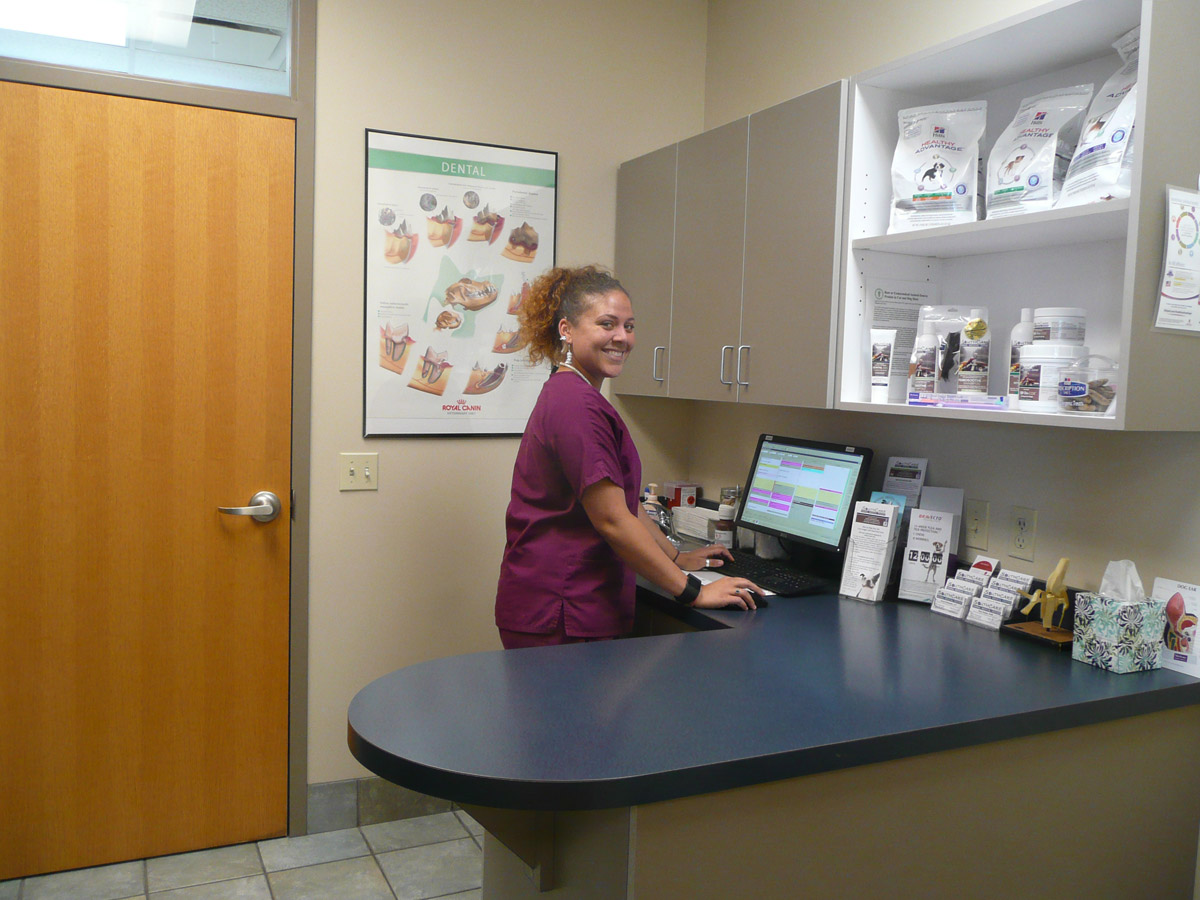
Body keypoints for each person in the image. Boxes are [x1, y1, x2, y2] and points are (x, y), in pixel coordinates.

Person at [494, 265, 763, 649]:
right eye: (607, 324)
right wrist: (693, 593)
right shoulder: (577, 405)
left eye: (630, 326)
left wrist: (675, 557)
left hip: (565, 602)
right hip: (560, 609)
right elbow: (613, 520)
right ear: (567, 329)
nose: (622, 337)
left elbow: (620, 503)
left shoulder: (573, 393)